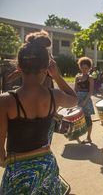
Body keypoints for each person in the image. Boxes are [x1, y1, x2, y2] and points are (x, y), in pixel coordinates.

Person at [0, 30, 77, 194]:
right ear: (47, 67)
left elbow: (0, 155)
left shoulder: (5, 101)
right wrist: (56, 76)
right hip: (46, 168)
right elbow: (73, 99)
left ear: (19, 66)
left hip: (17, 175)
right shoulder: (54, 96)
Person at [74, 57, 95, 144]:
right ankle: (77, 135)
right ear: (80, 67)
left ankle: (88, 137)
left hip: (86, 100)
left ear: (89, 68)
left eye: (86, 68)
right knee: (77, 118)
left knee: (87, 119)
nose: (84, 70)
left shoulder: (90, 78)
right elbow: (75, 90)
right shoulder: (77, 77)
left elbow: (90, 92)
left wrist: (84, 102)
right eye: (82, 68)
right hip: (78, 99)